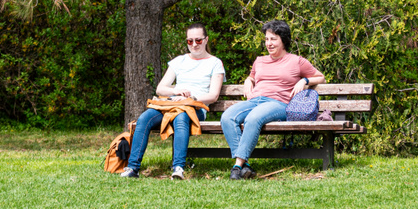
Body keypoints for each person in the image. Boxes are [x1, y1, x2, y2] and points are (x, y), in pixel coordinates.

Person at [221, 19, 324, 179]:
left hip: (279, 104)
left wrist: (305, 81)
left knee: (253, 119)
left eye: (273, 39)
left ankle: (236, 166)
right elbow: (253, 76)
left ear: (283, 40)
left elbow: (320, 77)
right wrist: (249, 80)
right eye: (267, 39)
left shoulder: (296, 61)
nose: (269, 43)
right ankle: (244, 165)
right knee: (227, 117)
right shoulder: (259, 60)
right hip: (255, 101)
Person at [120, 23, 224, 180]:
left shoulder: (215, 63)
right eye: (190, 41)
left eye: (198, 40)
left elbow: (213, 95)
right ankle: (133, 168)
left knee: (181, 117)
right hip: (171, 104)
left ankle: (178, 168)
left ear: (206, 39)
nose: (194, 44)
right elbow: (161, 88)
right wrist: (175, 91)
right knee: (144, 119)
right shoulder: (179, 61)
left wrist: (191, 98)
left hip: (195, 107)